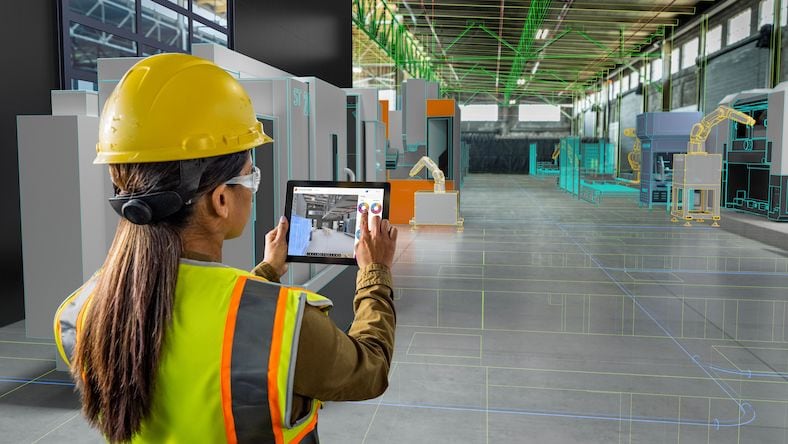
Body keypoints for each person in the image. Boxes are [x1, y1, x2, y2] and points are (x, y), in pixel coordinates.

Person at [53, 53, 398, 443]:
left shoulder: (80, 315)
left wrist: (266, 272)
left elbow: (199, 332)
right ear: (220, 200)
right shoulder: (286, 325)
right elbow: (369, 370)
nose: (253, 187)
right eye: (251, 176)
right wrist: (376, 272)